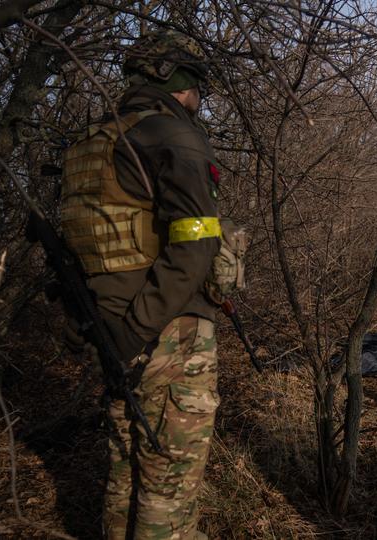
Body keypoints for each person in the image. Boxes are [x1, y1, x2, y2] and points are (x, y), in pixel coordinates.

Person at [59, 30, 222, 539]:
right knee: (167, 485)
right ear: (179, 84)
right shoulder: (171, 135)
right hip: (165, 329)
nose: (199, 101)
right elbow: (196, 243)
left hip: (109, 325)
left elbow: (77, 251)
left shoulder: (92, 142)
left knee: (126, 470)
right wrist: (138, 330)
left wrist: (105, 333)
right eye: (198, 89)